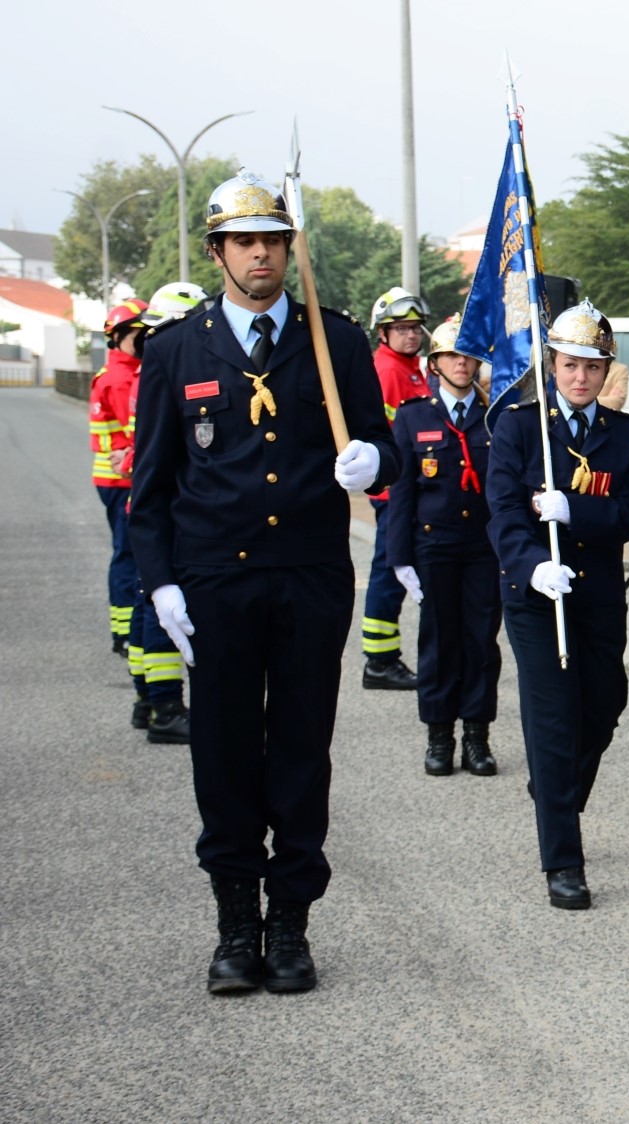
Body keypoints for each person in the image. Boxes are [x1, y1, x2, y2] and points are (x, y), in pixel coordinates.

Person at [129, 168, 399, 993]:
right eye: (244, 242)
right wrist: (162, 586)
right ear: (217, 253)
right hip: (215, 585)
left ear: (289, 251)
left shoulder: (339, 342)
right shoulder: (177, 350)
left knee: (300, 754)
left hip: (311, 578)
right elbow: (150, 489)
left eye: (273, 242)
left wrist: (373, 461)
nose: (260, 256)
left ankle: (290, 926)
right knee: (223, 754)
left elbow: (380, 444)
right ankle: (234, 927)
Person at [487, 300, 629, 908]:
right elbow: (504, 511)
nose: (580, 377)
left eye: (592, 366)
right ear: (550, 364)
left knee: (605, 703)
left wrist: (573, 510)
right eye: (569, 365)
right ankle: (564, 859)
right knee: (552, 719)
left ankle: (555, 791)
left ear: (606, 370)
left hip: (597, 593)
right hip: (536, 595)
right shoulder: (517, 427)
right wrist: (533, 566)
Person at [383, 315, 502, 779]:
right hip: (434, 546)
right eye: (452, 355)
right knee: (437, 643)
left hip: (483, 547)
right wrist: (399, 557)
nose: (461, 363)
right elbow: (402, 493)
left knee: (479, 643)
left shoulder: (496, 416)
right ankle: (439, 736)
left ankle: (476, 735)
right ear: (435, 363)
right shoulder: (415, 416)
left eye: (468, 356)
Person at [124, 282, 209, 746]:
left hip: (156, 508)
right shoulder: (166, 368)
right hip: (166, 512)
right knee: (160, 610)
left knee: (147, 603)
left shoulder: (152, 366)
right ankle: (166, 707)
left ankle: (147, 699)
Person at [359, 286, 430, 691]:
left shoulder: (412, 369)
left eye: (415, 328)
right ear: (383, 333)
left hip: (412, 489)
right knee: (389, 571)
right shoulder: (388, 371)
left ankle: (384, 657)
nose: (411, 335)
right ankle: (380, 660)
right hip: (395, 492)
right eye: (401, 328)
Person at [89, 297, 148, 659]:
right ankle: (127, 631)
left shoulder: (116, 372)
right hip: (124, 479)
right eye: (141, 334)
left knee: (125, 553)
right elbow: (140, 433)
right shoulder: (122, 377)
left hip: (117, 478)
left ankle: (122, 628)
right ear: (122, 336)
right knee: (129, 555)